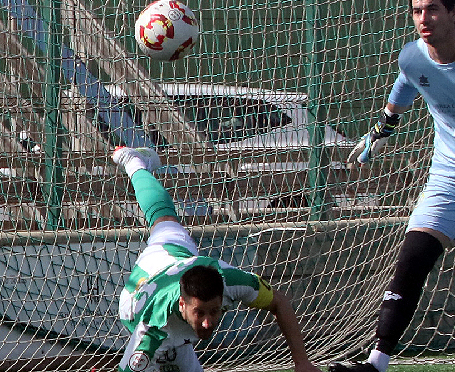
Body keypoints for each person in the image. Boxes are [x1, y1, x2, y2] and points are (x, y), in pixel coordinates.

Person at [330, 0, 455, 372]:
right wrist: (382, 129)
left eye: (432, 9)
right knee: (412, 259)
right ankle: (377, 362)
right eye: (417, 11)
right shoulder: (412, 56)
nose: (423, 18)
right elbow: (406, 83)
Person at [111, 145, 321, 372]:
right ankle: (132, 161)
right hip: (137, 303)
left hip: (175, 256)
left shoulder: (233, 281)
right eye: (200, 312)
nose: (208, 322)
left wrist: (302, 362)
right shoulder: (151, 330)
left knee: (165, 218)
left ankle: (134, 161)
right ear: (183, 304)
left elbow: (280, 302)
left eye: (214, 311)